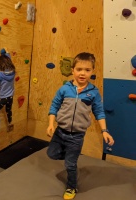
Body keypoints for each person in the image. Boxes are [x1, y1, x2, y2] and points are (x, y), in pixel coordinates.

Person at [46, 52, 114, 200]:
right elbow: (54, 106)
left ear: (92, 71)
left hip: (76, 136)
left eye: (87, 70)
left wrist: (104, 131)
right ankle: (72, 154)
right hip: (60, 132)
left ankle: (72, 187)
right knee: (51, 154)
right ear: (73, 70)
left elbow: (99, 112)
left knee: (70, 164)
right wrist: (51, 124)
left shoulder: (93, 93)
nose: (82, 73)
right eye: (79, 69)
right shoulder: (64, 89)